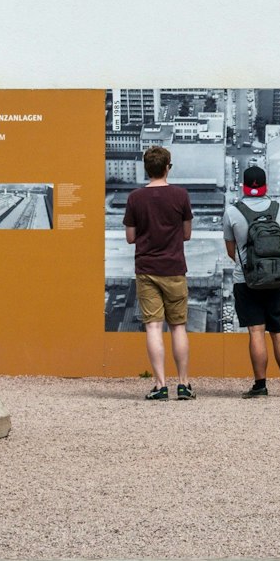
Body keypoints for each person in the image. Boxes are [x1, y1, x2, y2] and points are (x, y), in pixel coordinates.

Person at [224, 165, 280, 399]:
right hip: (275, 280)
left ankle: (260, 386)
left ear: (244, 186)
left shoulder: (232, 212)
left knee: (256, 331)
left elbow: (231, 251)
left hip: (246, 281)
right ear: (265, 186)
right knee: (278, 331)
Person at [125, 145, 193, 400]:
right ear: (167, 168)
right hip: (174, 268)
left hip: (147, 269)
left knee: (153, 328)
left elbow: (130, 237)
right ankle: (183, 385)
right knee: (178, 327)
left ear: (146, 169)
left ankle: (160, 385)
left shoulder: (135, 198)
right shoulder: (180, 195)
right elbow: (187, 234)